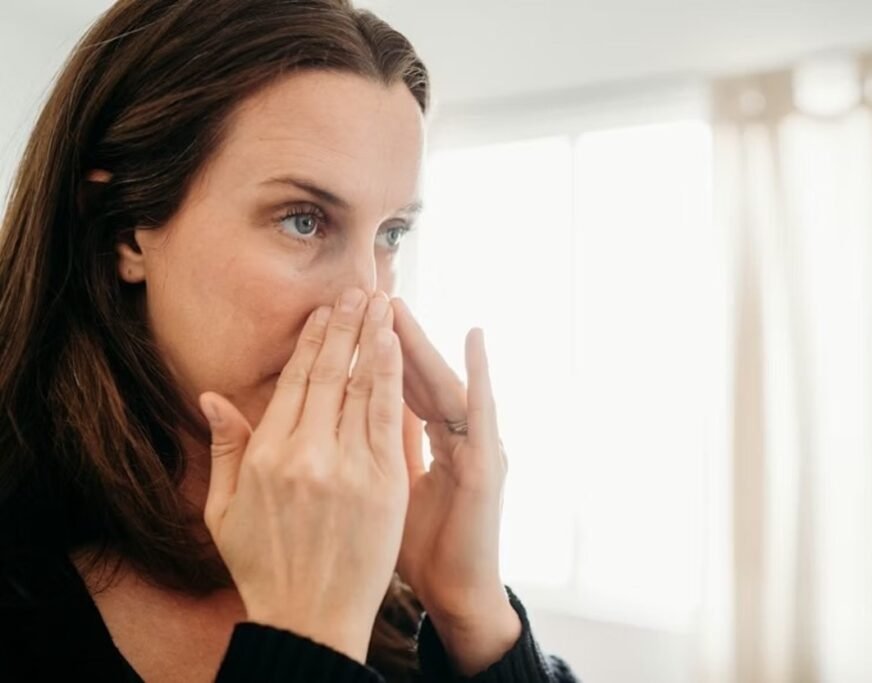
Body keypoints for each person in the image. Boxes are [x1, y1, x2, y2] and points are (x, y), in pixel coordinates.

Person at [0, 1, 580, 681]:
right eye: (304, 221)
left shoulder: (395, 596)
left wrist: (473, 613)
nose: (367, 297)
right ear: (124, 228)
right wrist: (305, 643)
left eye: (390, 234)